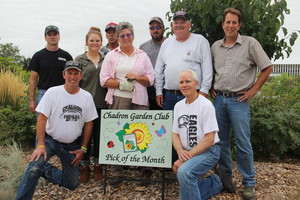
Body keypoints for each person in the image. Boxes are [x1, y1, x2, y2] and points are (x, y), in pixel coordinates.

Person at [210, 8, 273, 200]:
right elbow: (211, 69)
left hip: (239, 100)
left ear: (239, 25)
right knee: (221, 142)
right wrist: (212, 85)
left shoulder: (250, 44)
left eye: (234, 22)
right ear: (223, 25)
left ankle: (249, 182)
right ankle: (225, 179)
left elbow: (267, 67)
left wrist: (254, 90)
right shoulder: (215, 47)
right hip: (219, 100)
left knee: (243, 142)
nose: (230, 26)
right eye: (227, 22)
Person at [15, 61, 98, 200]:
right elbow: (41, 119)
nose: (72, 77)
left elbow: (89, 124)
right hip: (50, 140)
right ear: (63, 74)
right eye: (69, 73)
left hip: (72, 145)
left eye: (76, 73)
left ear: (81, 75)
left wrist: (83, 148)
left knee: (71, 183)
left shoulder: (86, 97)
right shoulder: (53, 92)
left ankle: (46, 169)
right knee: (34, 168)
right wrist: (41, 145)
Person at [100, 21, 155, 179]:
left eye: (128, 34)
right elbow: (103, 80)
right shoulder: (111, 55)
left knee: (142, 132)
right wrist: (121, 85)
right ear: (117, 38)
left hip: (140, 100)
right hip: (118, 98)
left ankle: (145, 168)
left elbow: (150, 79)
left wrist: (137, 77)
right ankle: (117, 171)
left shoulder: (142, 55)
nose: (125, 38)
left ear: (133, 36)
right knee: (119, 133)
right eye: (122, 35)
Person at [173, 69, 234, 200]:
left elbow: (209, 139)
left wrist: (185, 158)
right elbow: (174, 134)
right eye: (181, 82)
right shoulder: (178, 106)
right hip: (189, 152)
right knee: (188, 187)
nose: (184, 85)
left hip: (208, 151)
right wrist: (180, 151)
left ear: (196, 83)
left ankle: (215, 182)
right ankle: (216, 182)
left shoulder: (205, 105)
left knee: (185, 172)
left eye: (188, 81)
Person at [155, 10, 213, 111]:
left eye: (182, 22)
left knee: (192, 126)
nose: (179, 25)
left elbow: (207, 68)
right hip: (169, 96)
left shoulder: (200, 41)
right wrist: (158, 91)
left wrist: (204, 90)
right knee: (169, 127)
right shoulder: (166, 43)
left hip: (193, 95)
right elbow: (159, 70)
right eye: (176, 23)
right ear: (172, 25)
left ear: (189, 24)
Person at [75, 27, 108, 183]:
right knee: (85, 138)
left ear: (102, 42)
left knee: (99, 136)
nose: (95, 43)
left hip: (102, 103)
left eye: (97, 40)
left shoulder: (106, 58)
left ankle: (98, 165)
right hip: (85, 105)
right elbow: (75, 81)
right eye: (92, 40)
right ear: (87, 42)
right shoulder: (80, 59)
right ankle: (84, 166)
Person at [28, 25, 73, 113]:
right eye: (49, 35)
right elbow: (33, 79)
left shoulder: (66, 56)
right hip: (44, 94)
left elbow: (72, 77)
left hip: (62, 94)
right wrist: (31, 100)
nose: (52, 37)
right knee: (42, 124)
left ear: (59, 36)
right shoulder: (38, 56)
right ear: (45, 37)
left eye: (55, 34)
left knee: (61, 123)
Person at [140, 16, 166, 110]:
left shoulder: (170, 43)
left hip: (167, 89)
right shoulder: (143, 47)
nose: (155, 30)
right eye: (152, 28)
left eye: (158, 27)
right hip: (149, 90)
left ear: (163, 28)